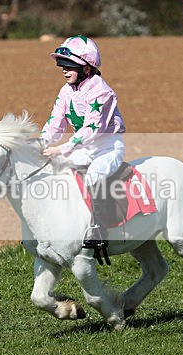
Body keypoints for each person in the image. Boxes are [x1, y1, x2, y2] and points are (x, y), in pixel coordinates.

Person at [41, 35, 126, 250]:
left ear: (87, 69)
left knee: (95, 175)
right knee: (57, 171)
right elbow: (56, 123)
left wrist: (61, 148)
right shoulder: (65, 91)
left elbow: (92, 129)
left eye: (70, 66)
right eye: (62, 65)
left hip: (107, 147)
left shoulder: (101, 90)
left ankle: (99, 229)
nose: (64, 70)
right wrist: (40, 143)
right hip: (84, 147)